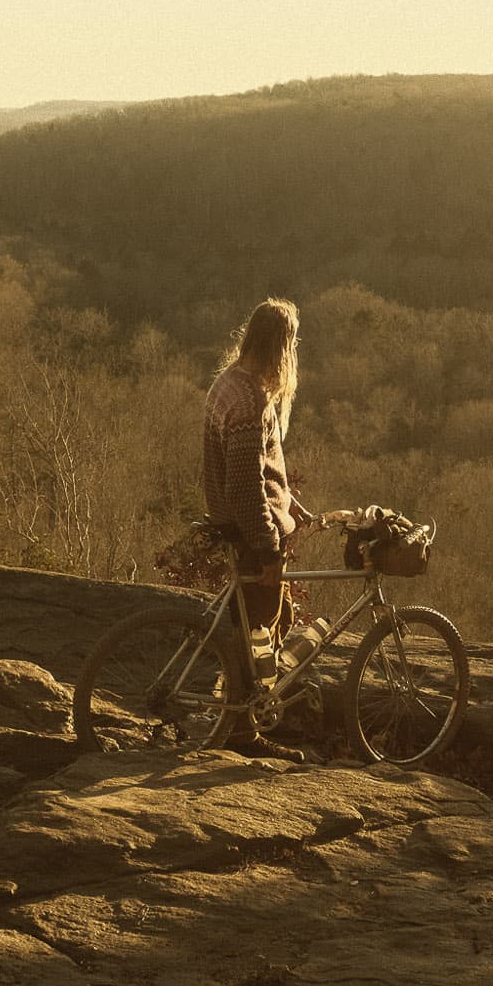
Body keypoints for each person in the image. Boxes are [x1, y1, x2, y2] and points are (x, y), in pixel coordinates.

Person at [202, 297, 314, 693]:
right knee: (258, 638)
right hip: (252, 535)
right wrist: (268, 550)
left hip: (240, 523)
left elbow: (258, 473)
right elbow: (245, 488)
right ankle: (242, 731)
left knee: (261, 627)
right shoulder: (252, 403)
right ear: (282, 348)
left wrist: (290, 504)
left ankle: (243, 716)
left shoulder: (228, 381)